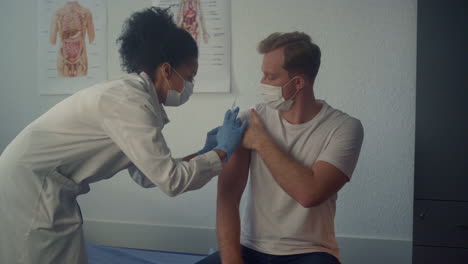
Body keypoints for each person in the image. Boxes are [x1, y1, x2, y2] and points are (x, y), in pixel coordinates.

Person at [0, 7, 246, 264]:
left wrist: (206, 153)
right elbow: (171, 181)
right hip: (31, 185)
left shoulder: (136, 100)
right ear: (165, 70)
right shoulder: (129, 102)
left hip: (47, 182)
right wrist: (222, 152)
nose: (190, 87)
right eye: (189, 77)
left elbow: (148, 175)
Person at [197, 32, 364, 264]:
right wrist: (232, 260)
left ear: (298, 83)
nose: (262, 83)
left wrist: (262, 141)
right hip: (249, 248)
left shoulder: (344, 128)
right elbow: (227, 197)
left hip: (310, 252)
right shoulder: (250, 119)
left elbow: (310, 193)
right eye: (262, 74)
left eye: (270, 76)